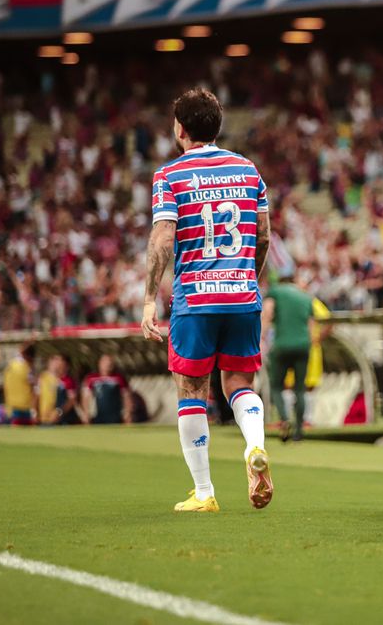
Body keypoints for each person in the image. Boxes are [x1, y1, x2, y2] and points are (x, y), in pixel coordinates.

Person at [141, 88, 274, 513]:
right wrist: (246, 279)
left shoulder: (170, 175)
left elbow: (163, 239)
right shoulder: (248, 169)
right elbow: (265, 235)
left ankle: (204, 492)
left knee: (192, 388)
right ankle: (254, 446)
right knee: (239, 384)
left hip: (195, 300)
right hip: (242, 295)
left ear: (180, 129)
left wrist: (148, 300)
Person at [263, 270, 314, 442]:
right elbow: (310, 325)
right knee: (300, 389)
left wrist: (262, 337)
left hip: (282, 345)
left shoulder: (276, 291)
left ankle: (284, 420)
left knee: (277, 386)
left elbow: (268, 313)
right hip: (303, 345)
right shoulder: (306, 297)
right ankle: (299, 430)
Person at [80, 354, 131, 425]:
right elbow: (85, 397)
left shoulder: (119, 378)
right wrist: (86, 413)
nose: (108, 364)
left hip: (116, 417)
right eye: (105, 362)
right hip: (98, 416)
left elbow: (126, 397)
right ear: (99, 363)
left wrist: (128, 413)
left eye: (110, 362)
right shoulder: (91, 378)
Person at [38, 354, 84, 425]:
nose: (59, 367)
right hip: (49, 418)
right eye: (58, 364)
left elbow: (72, 400)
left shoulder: (68, 381)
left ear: (67, 367)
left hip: (65, 420)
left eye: (62, 365)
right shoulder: (47, 378)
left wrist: (59, 412)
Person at [3, 343, 36, 425]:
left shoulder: (11, 364)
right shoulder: (27, 368)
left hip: (11, 405)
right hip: (25, 406)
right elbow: (33, 386)